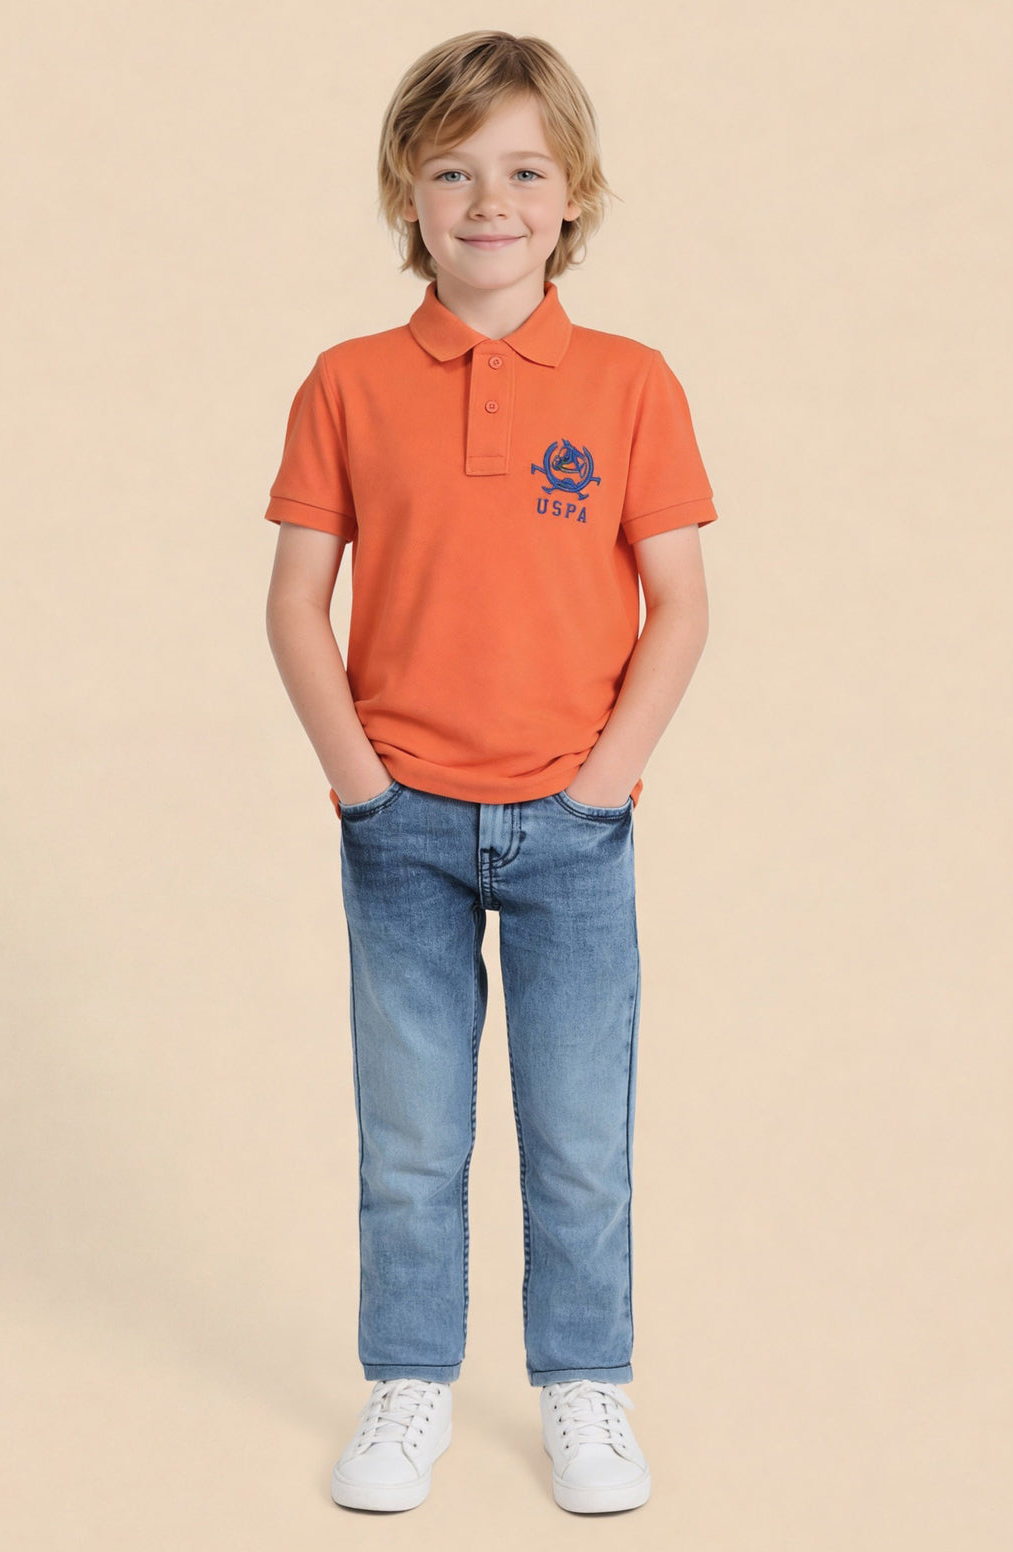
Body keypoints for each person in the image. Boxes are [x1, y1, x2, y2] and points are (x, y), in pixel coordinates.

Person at [263, 30, 718, 1516]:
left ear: (574, 192)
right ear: (407, 191)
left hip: (575, 829)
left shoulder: (633, 384)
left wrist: (602, 787)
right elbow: (296, 599)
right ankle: (408, 1383)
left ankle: (586, 1385)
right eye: (453, 172)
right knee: (410, 1137)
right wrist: (361, 786)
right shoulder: (345, 384)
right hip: (399, 823)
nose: (489, 202)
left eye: (524, 171)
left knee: (579, 1136)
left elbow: (680, 602)